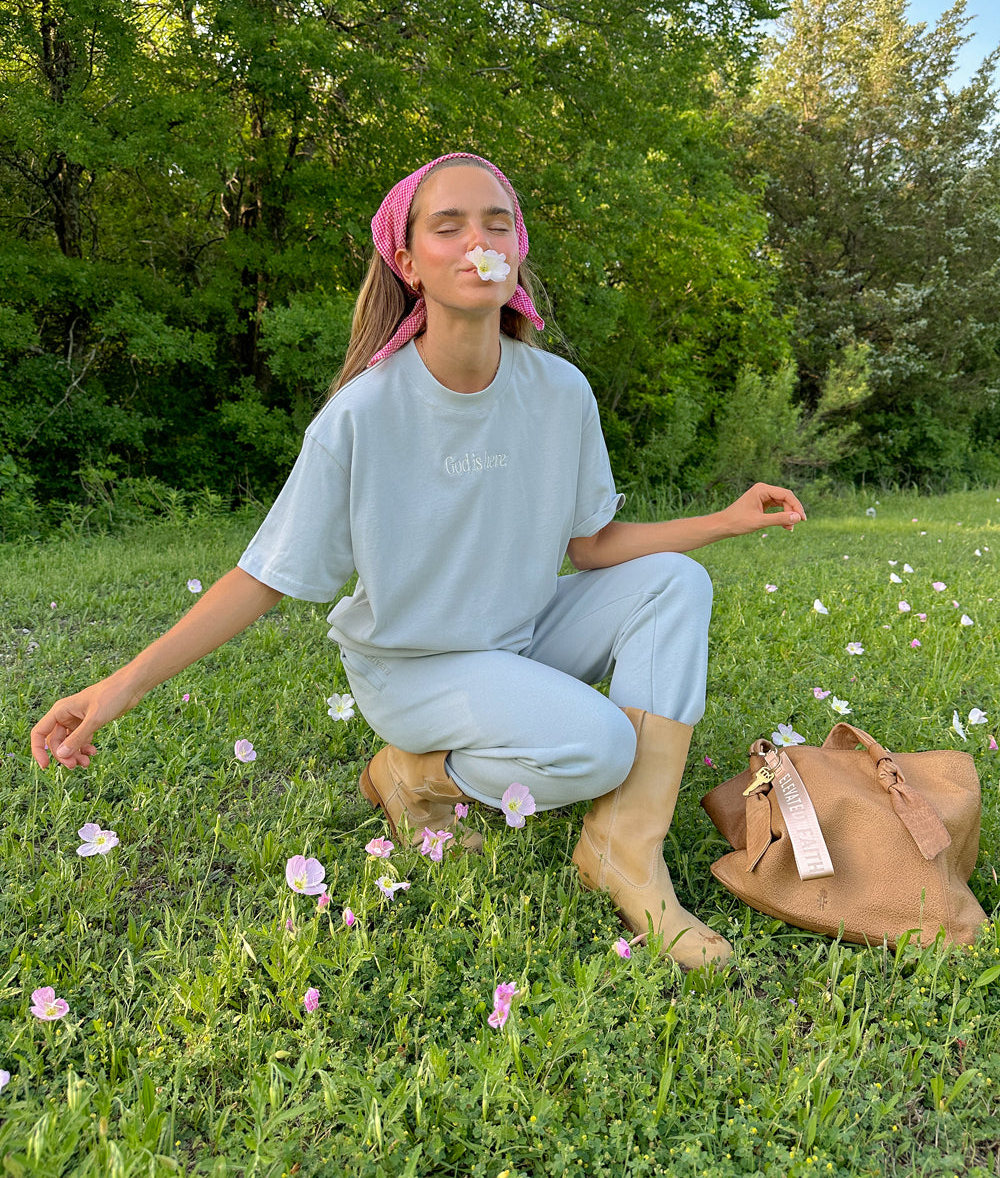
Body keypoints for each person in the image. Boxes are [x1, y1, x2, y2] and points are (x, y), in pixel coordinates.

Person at [30, 152, 806, 970]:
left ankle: (624, 848)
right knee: (600, 746)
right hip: (414, 669)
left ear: (517, 251)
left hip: (520, 636)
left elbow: (590, 547)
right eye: (449, 226)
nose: (480, 241)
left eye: (498, 224)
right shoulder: (362, 415)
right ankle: (415, 773)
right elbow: (263, 578)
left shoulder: (561, 393)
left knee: (675, 582)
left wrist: (722, 522)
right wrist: (117, 689)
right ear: (407, 262)